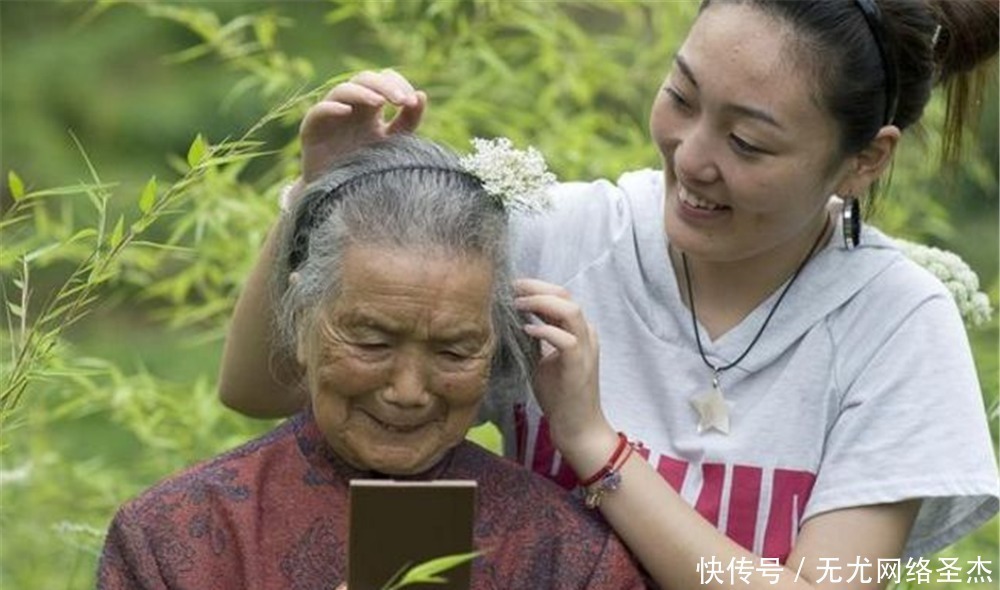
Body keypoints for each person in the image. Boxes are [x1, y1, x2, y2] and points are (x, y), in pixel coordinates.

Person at [218, 1, 1000, 588]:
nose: (691, 157)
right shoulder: (557, 239)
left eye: (747, 141)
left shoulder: (898, 326)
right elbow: (260, 388)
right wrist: (318, 195)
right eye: (683, 98)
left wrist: (593, 445)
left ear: (865, 159)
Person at [97, 136, 648, 589]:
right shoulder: (176, 535)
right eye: (372, 343)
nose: (409, 391)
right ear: (302, 317)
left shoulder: (567, 558)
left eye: (454, 351)